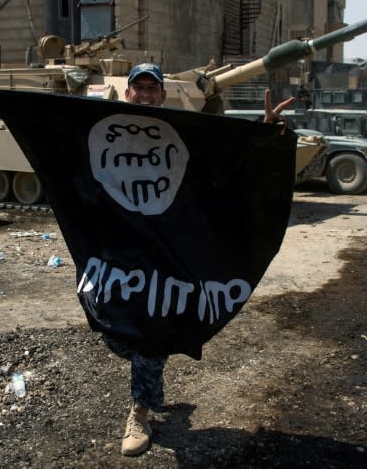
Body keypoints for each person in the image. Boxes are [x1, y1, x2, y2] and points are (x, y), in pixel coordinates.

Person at [112, 64, 295, 457]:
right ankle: (147, 371)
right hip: (114, 251)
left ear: (162, 95)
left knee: (148, 332)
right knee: (115, 329)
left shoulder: (185, 135)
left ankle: (139, 412)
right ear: (127, 94)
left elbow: (228, 163)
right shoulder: (105, 130)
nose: (144, 94)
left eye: (151, 88)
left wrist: (264, 133)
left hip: (164, 252)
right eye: (137, 87)